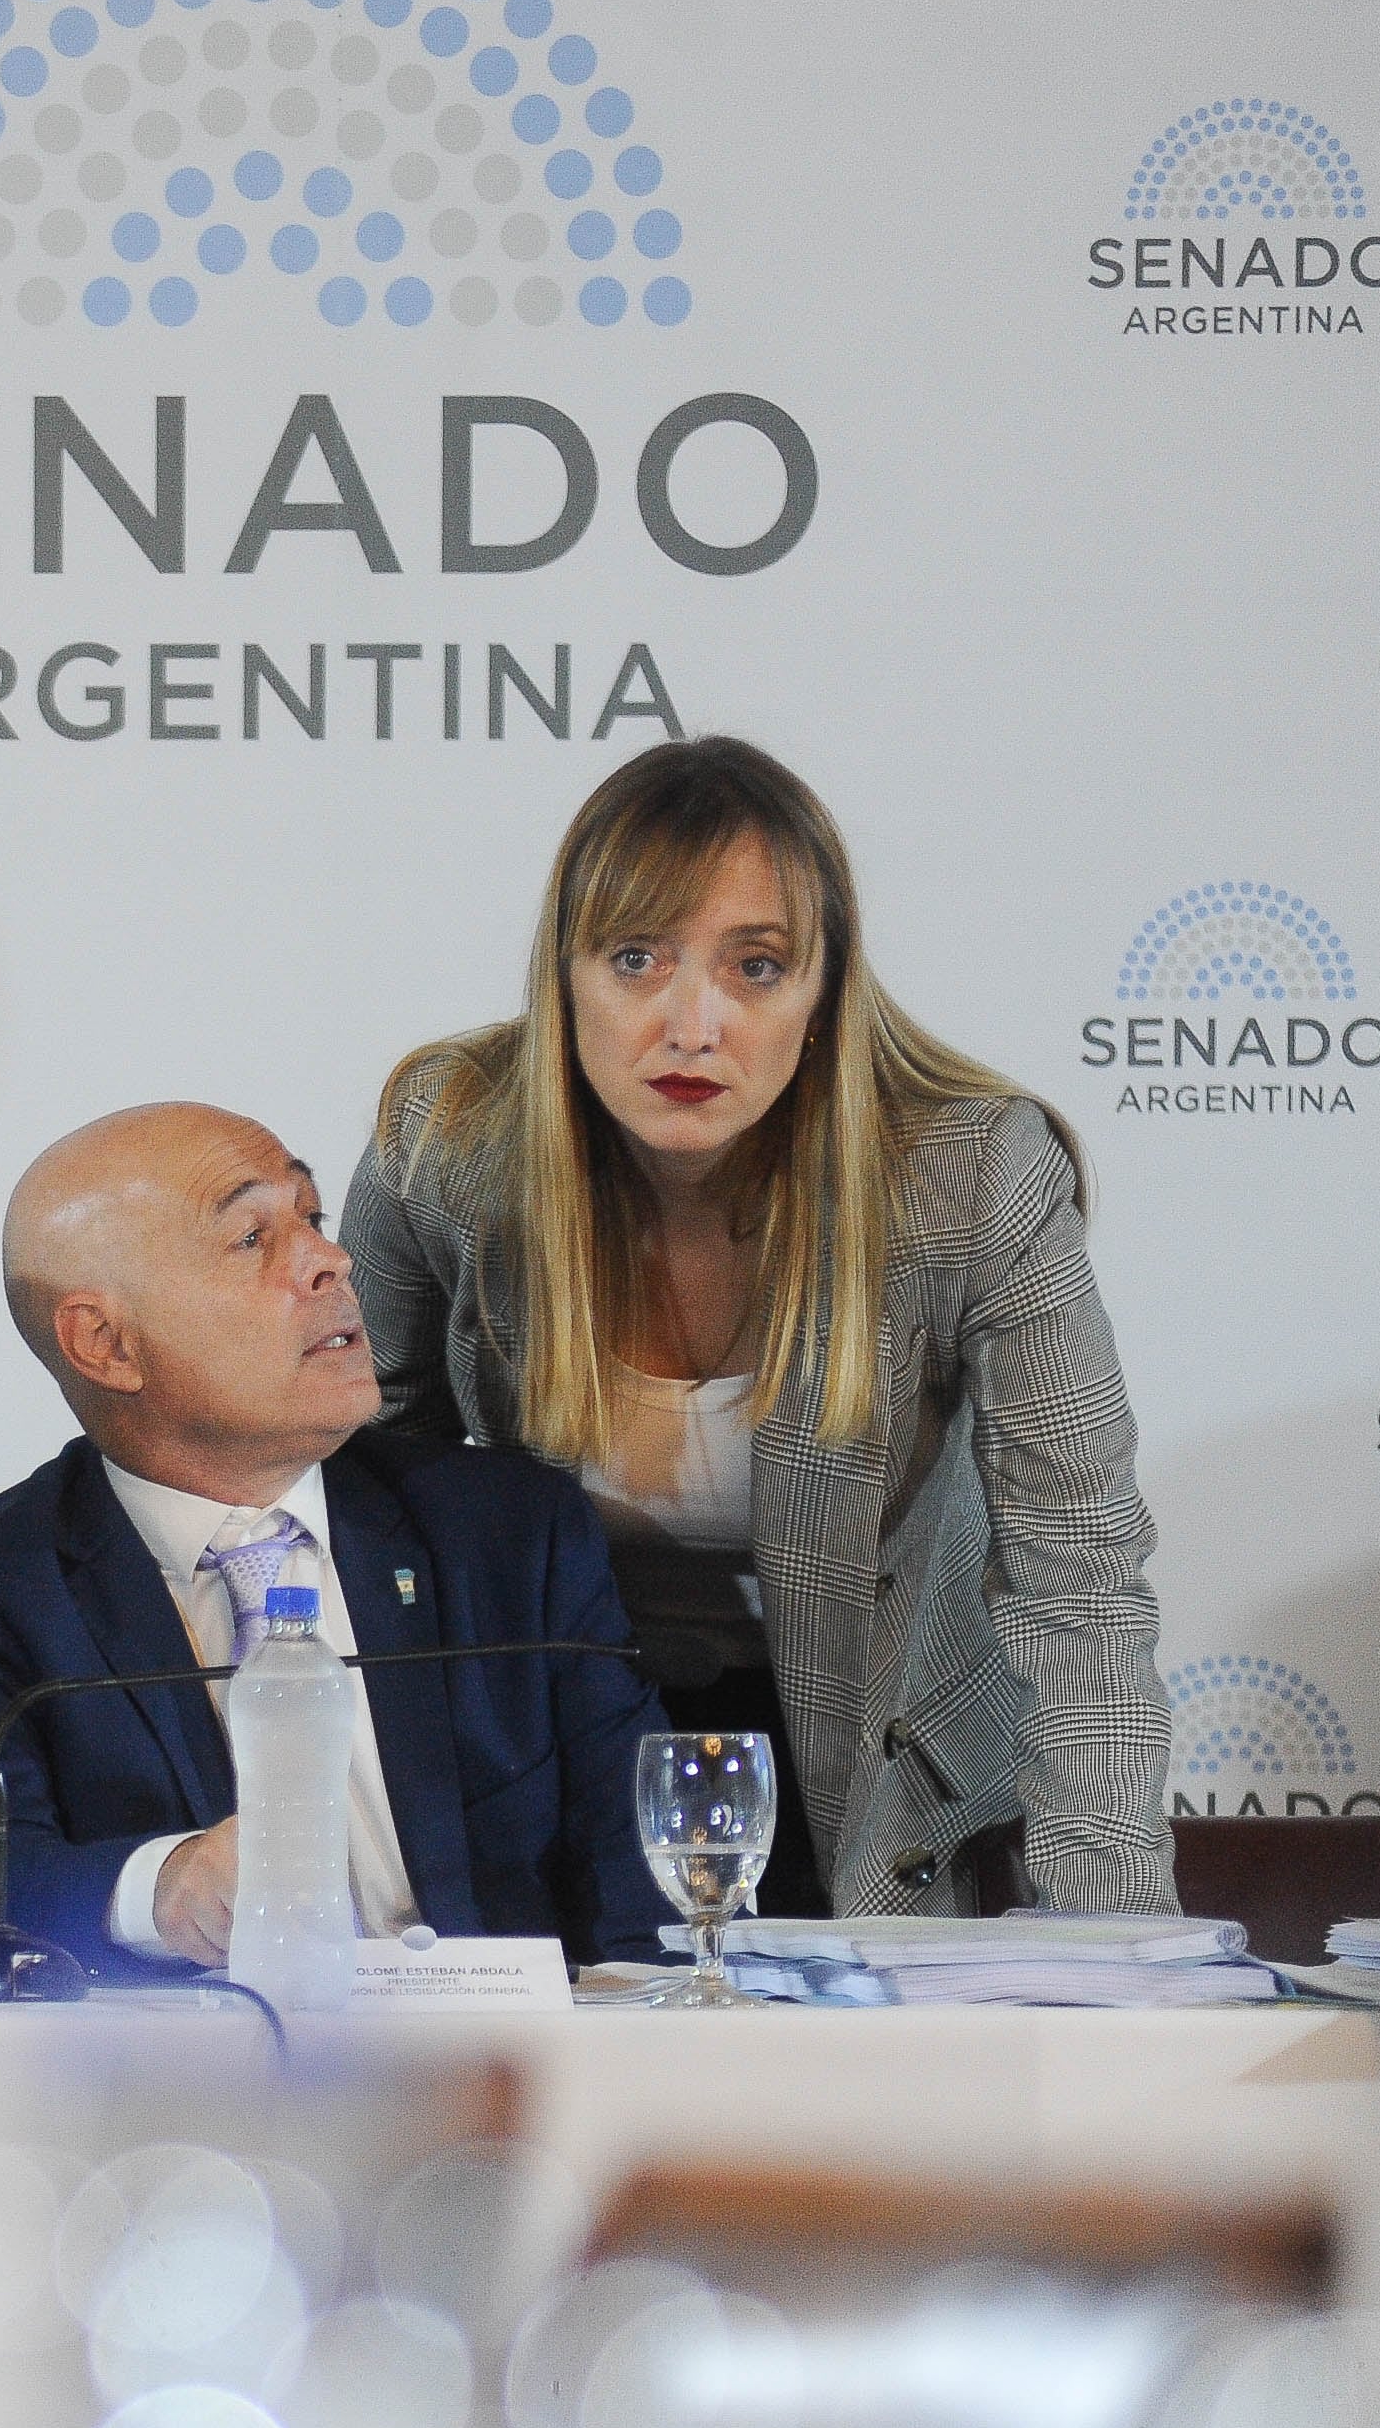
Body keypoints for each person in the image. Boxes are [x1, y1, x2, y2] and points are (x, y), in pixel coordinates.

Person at [340, 735, 1172, 1919]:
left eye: (756, 966)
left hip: (877, 1743)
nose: (692, 1026)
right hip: (556, 1740)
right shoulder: (448, 1144)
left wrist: (1113, 1943)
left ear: (822, 989)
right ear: (560, 977)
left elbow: (1076, 1574)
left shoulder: (966, 1173)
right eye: (635, 959)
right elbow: (348, 1479)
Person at [0, 1103, 678, 1973]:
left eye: (313, 1219)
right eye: (254, 1238)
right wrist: (163, 1886)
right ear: (105, 1344)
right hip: (191, 2088)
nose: (331, 1260)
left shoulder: (508, 1534)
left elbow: (643, 1877)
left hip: (508, 2077)